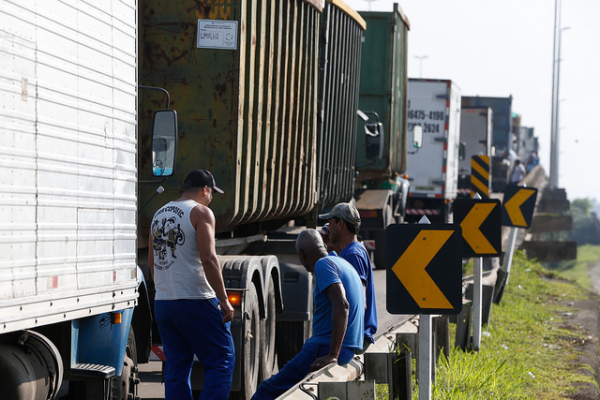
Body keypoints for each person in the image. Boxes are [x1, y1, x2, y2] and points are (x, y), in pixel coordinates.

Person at [148, 169, 235, 400]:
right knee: (221, 359)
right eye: (212, 193)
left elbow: (152, 262)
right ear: (205, 190)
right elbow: (209, 258)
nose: (211, 199)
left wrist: (167, 290)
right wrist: (224, 299)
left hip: (164, 303)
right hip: (196, 300)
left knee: (177, 367)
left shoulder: (158, 214)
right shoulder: (201, 213)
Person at [252, 229, 364, 399]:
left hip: (324, 347)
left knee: (266, 390)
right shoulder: (342, 263)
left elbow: (342, 304)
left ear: (302, 254)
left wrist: (332, 354)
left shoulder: (323, 265)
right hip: (349, 348)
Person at [320, 202, 377, 354]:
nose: (328, 228)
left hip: (354, 338)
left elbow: (359, 300)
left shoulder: (352, 255)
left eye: (330, 223)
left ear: (340, 224)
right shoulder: (354, 250)